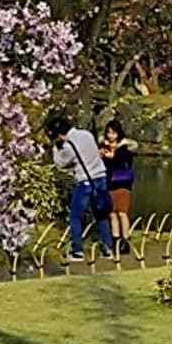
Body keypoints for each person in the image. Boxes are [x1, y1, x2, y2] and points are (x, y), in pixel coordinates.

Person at [47, 109, 114, 260]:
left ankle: (77, 250)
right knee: (101, 213)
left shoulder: (68, 145)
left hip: (85, 182)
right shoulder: (87, 134)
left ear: (59, 134)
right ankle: (108, 248)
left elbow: (61, 164)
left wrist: (55, 149)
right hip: (101, 177)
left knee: (75, 216)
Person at [99, 118, 136, 256]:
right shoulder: (104, 148)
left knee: (122, 213)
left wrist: (112, 157)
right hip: (109, 184)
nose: (110, 136)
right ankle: (115, 240)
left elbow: (123, 162)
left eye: (113, 133)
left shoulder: (124, 149)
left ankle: (125, 240)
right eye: (108, 133)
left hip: (122, 184)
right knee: (112, 213)